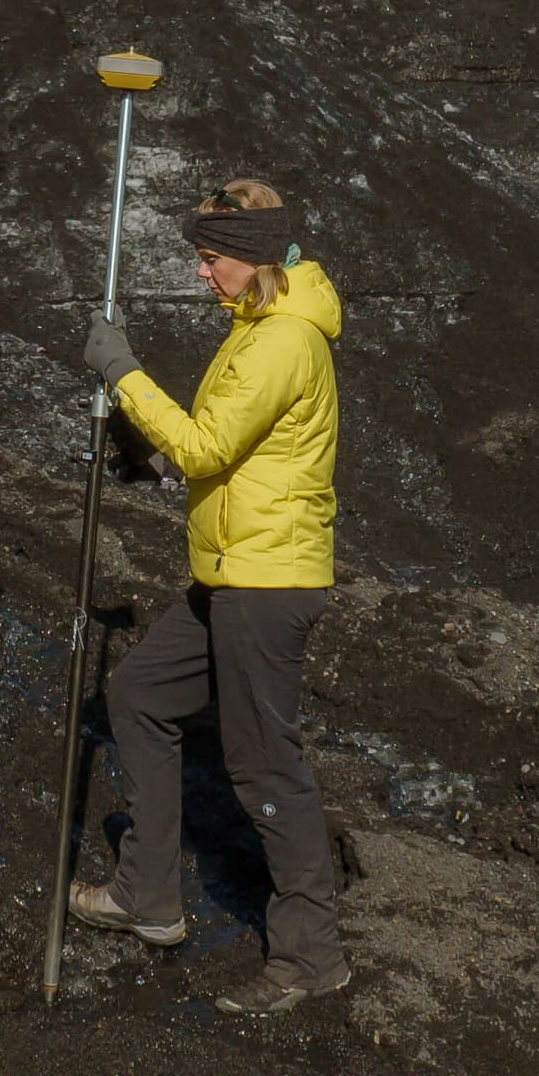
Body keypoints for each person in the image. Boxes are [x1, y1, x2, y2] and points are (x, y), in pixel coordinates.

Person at [72, 178, 348, 1016]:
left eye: (211, 259)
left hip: (265, 586)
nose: (202, 274)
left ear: (254, 257)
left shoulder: (282, 342)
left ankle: (310, 958)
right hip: (232, 573)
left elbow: (206, 448)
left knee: (265, 765)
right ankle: (148, 894)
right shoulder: (253, 329)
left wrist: (122, 373)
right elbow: (228, 450)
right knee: (141, 694)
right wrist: (144, 455)